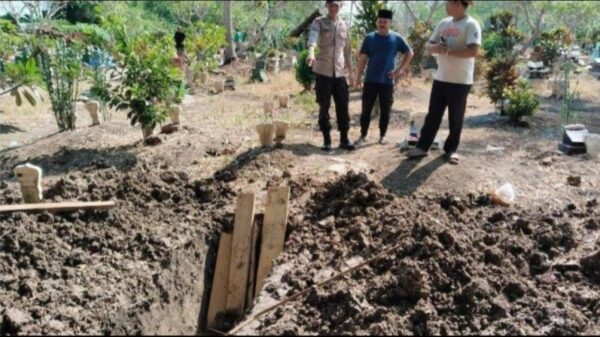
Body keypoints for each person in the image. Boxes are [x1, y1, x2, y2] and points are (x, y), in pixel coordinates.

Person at [407, 0, 481, 165]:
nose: (445, 6)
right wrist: (434, 48)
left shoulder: (471, 24)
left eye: (448, 3)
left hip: (460, 81)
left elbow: (473, 51)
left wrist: (448, 51)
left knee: (456, 117)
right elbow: (429, 44)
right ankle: (422, 147)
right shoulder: (443, 23)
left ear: (458, 4)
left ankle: (451, 150)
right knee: (433, 114)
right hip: (441, 78)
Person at [354, 9, 414, 146]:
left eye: (385, 21)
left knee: (385, 110)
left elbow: (409, 53)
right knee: (366, 109)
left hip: (387, 81)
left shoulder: (396, 38)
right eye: (380, 21)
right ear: (377, 22)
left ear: (390, 23)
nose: (382, 23)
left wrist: (400, 70)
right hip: (370, 80)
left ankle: (382, 136)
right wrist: (358, 78)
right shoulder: (369, 38)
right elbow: (362, 58)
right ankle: (363, 135)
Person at [307, 0, 355, 152]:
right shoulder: (319, 22)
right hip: (323, 71)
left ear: (340, 7)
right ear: (327, 6)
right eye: (330, 5)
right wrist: (311, 52)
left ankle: (344, 139)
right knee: (324, 106)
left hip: (340, 72)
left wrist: (351, 72)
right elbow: (313, 38)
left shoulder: (344, 25)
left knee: (343, 106)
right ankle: (327, 140)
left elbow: (347, 50)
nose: (333, 8)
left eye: (336, 5)